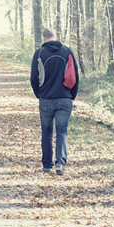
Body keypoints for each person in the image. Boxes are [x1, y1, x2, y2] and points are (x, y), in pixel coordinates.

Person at [30, 27, 79, 175]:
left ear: (43, 38)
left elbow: (33, 78)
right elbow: (74, 77)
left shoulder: (39, 53)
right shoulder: (67, 52)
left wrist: (39, 94)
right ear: (56, 37)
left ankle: (46, 165)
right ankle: (60, 163)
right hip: (64, 98)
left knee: (46, 132)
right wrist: (72, 96)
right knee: (62, 131)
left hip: (46, 99)